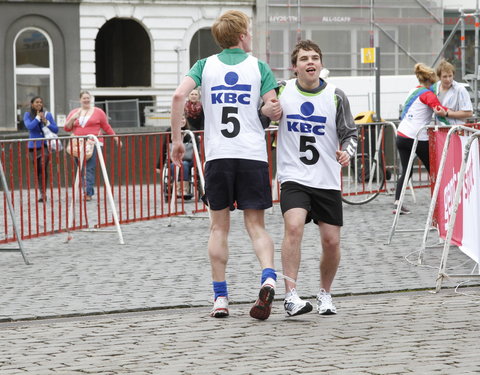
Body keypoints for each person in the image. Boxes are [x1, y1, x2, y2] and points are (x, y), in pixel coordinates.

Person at [170, 10, 282, 320]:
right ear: (243, 35)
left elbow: (179, 95)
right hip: (253, 154)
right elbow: (273, 108)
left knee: (218, 227)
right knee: (256, 225)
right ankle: (269, 277)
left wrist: (178, 139)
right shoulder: (259, 67)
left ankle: (220, 300)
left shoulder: (204, 66)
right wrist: (271, 110)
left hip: (218, 155)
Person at [275, 40, 357, 317]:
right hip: (293, 176)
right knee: (294, 227)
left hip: (326, 178)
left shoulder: (336, 95)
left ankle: (325, 294)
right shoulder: (281, 90)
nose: (310, 62)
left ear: (321, 64)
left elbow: (351, 134)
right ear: (294, 66)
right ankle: (291, 296)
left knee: (331, 242)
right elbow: (261, 116)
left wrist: (347, 153)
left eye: (314, 58)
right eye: (304, 59)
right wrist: (266, 113)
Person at [394, 63, 447, 214]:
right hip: (417, 136)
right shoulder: (428, 94)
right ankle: (440, 203)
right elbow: (440, 111)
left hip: (402, 134)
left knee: (406, 171)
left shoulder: (413, 91)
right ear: (432, 80)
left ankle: (398, 203)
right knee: (433, 169)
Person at [64, 91, 121, 201]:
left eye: (88, 98)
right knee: (80, 168)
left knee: (89, 167)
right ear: (80, 100)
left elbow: (106, 126)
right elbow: (67, 128)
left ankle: (88, 193)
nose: (86, 100)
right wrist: (72, 118)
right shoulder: (74, 112)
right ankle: (86, 189)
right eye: (84, 98)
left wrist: (115, 137)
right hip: (77, 143)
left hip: (93, 142)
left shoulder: (98, 112)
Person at [23, 96, 59, 203]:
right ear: (32, 104)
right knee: (38, 170)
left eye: (41, 102)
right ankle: (41, 192)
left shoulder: (47, 114)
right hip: (33, 147)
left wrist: (46, 122)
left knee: (43, 167)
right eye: (36, 102)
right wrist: (38, 118)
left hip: (45, 146)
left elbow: (56, 129)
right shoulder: (28, 115)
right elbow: (29, 127)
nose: (39, 104)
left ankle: (43, 194)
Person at [156, 115, 196, 199]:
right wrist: (159, 165)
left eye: (183, 118)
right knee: (176, 165)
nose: (181, 120)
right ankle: (178, 189)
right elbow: (164, 148)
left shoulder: (191, 132)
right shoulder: (169, 131)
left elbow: (196, 149)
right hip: (173, 160)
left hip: (188, 160)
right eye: (179, 118)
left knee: (184, 164)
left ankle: (184, 189)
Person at [433, 59, 473, 125]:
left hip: (455, 129)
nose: (448, 79)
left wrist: (447, 114)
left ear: (453, 75)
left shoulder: (460, 89)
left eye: (450, 76)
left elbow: (469, 113)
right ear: (439, 77)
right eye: (445, 77)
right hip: (439, 128)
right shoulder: (435, 88)